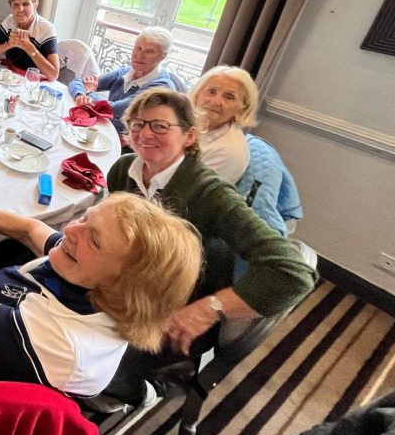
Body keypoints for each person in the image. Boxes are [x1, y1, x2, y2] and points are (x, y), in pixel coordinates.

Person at [0, 193, 202, 397]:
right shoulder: (90, 276)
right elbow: (30, 229)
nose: (70, 230)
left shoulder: (64, 340)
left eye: (94, 239)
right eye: (85, 218)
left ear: (127, 286)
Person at [103, 88, 316, 404]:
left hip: (179, 309)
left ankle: (147, 389)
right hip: (134, 286)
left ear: (189, 136)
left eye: (160, 126)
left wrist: (209, 309)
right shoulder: (123, 170)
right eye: (137, 124)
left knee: (94, 362)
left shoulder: (210, 193)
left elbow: (295, 274)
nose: (145, 134)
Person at [68, 26, 177, 133]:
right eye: (138, 48)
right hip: (107, 128)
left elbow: (117, 110)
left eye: (149, 51)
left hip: (130, 140)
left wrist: (89, 93)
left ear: (163, 56)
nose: (140, 55)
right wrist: (80, 95)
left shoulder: (161, 87)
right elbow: (77, 82)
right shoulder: (127, 72)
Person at [189, 65, 258, 184]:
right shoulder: (191, 124)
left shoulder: (228, 152)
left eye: (229, 97)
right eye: (211, 92)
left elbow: (187, 191)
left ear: (242, 108)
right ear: (197, 94)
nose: (215, 101)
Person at [0, 0, 59, 81]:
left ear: (35, 5)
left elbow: (53, 75)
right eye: (16, 4)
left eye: (26, 4)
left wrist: (29, 47)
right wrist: (9, 45)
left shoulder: (46, 29)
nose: (20, 9)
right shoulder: (10, 21)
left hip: (33, 82)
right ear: (11, 7)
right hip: (10, 77)